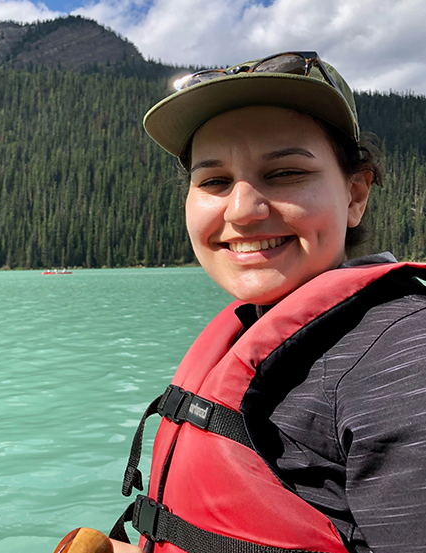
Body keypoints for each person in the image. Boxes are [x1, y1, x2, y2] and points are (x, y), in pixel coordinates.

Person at [99, 52, 426, 553]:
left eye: (286, 173)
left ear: (356, 194)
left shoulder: (404, 359)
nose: (243, 210)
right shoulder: (259, 329)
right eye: (214, 181)